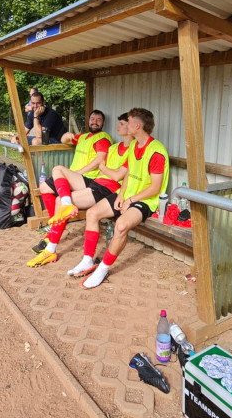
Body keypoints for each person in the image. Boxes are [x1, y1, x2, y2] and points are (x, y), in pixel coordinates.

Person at [71, 108, 169, 289]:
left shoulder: (156, 151)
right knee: (92, 213)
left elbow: (155, 187)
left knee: (121, 225)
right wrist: (122, 195)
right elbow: (127, 174)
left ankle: (102, 269)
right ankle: (87, 260)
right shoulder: (133, 146)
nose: (125, 124)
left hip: (146, 200)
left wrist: (131, 200)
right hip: (128, 195)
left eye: (129, 121)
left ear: (137, 126)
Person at [28, 112, 135, 268]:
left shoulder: (131, 149)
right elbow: (105, 168)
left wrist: (104, 168)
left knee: (65, 200)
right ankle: (52, 245)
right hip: (97, 183)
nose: (118, 126)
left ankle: (51, 247)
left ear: (131, 128)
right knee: (57, 179)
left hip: (108, 189)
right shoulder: (114, 147)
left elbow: (117, 175)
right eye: (119, 123)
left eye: (122, 124)